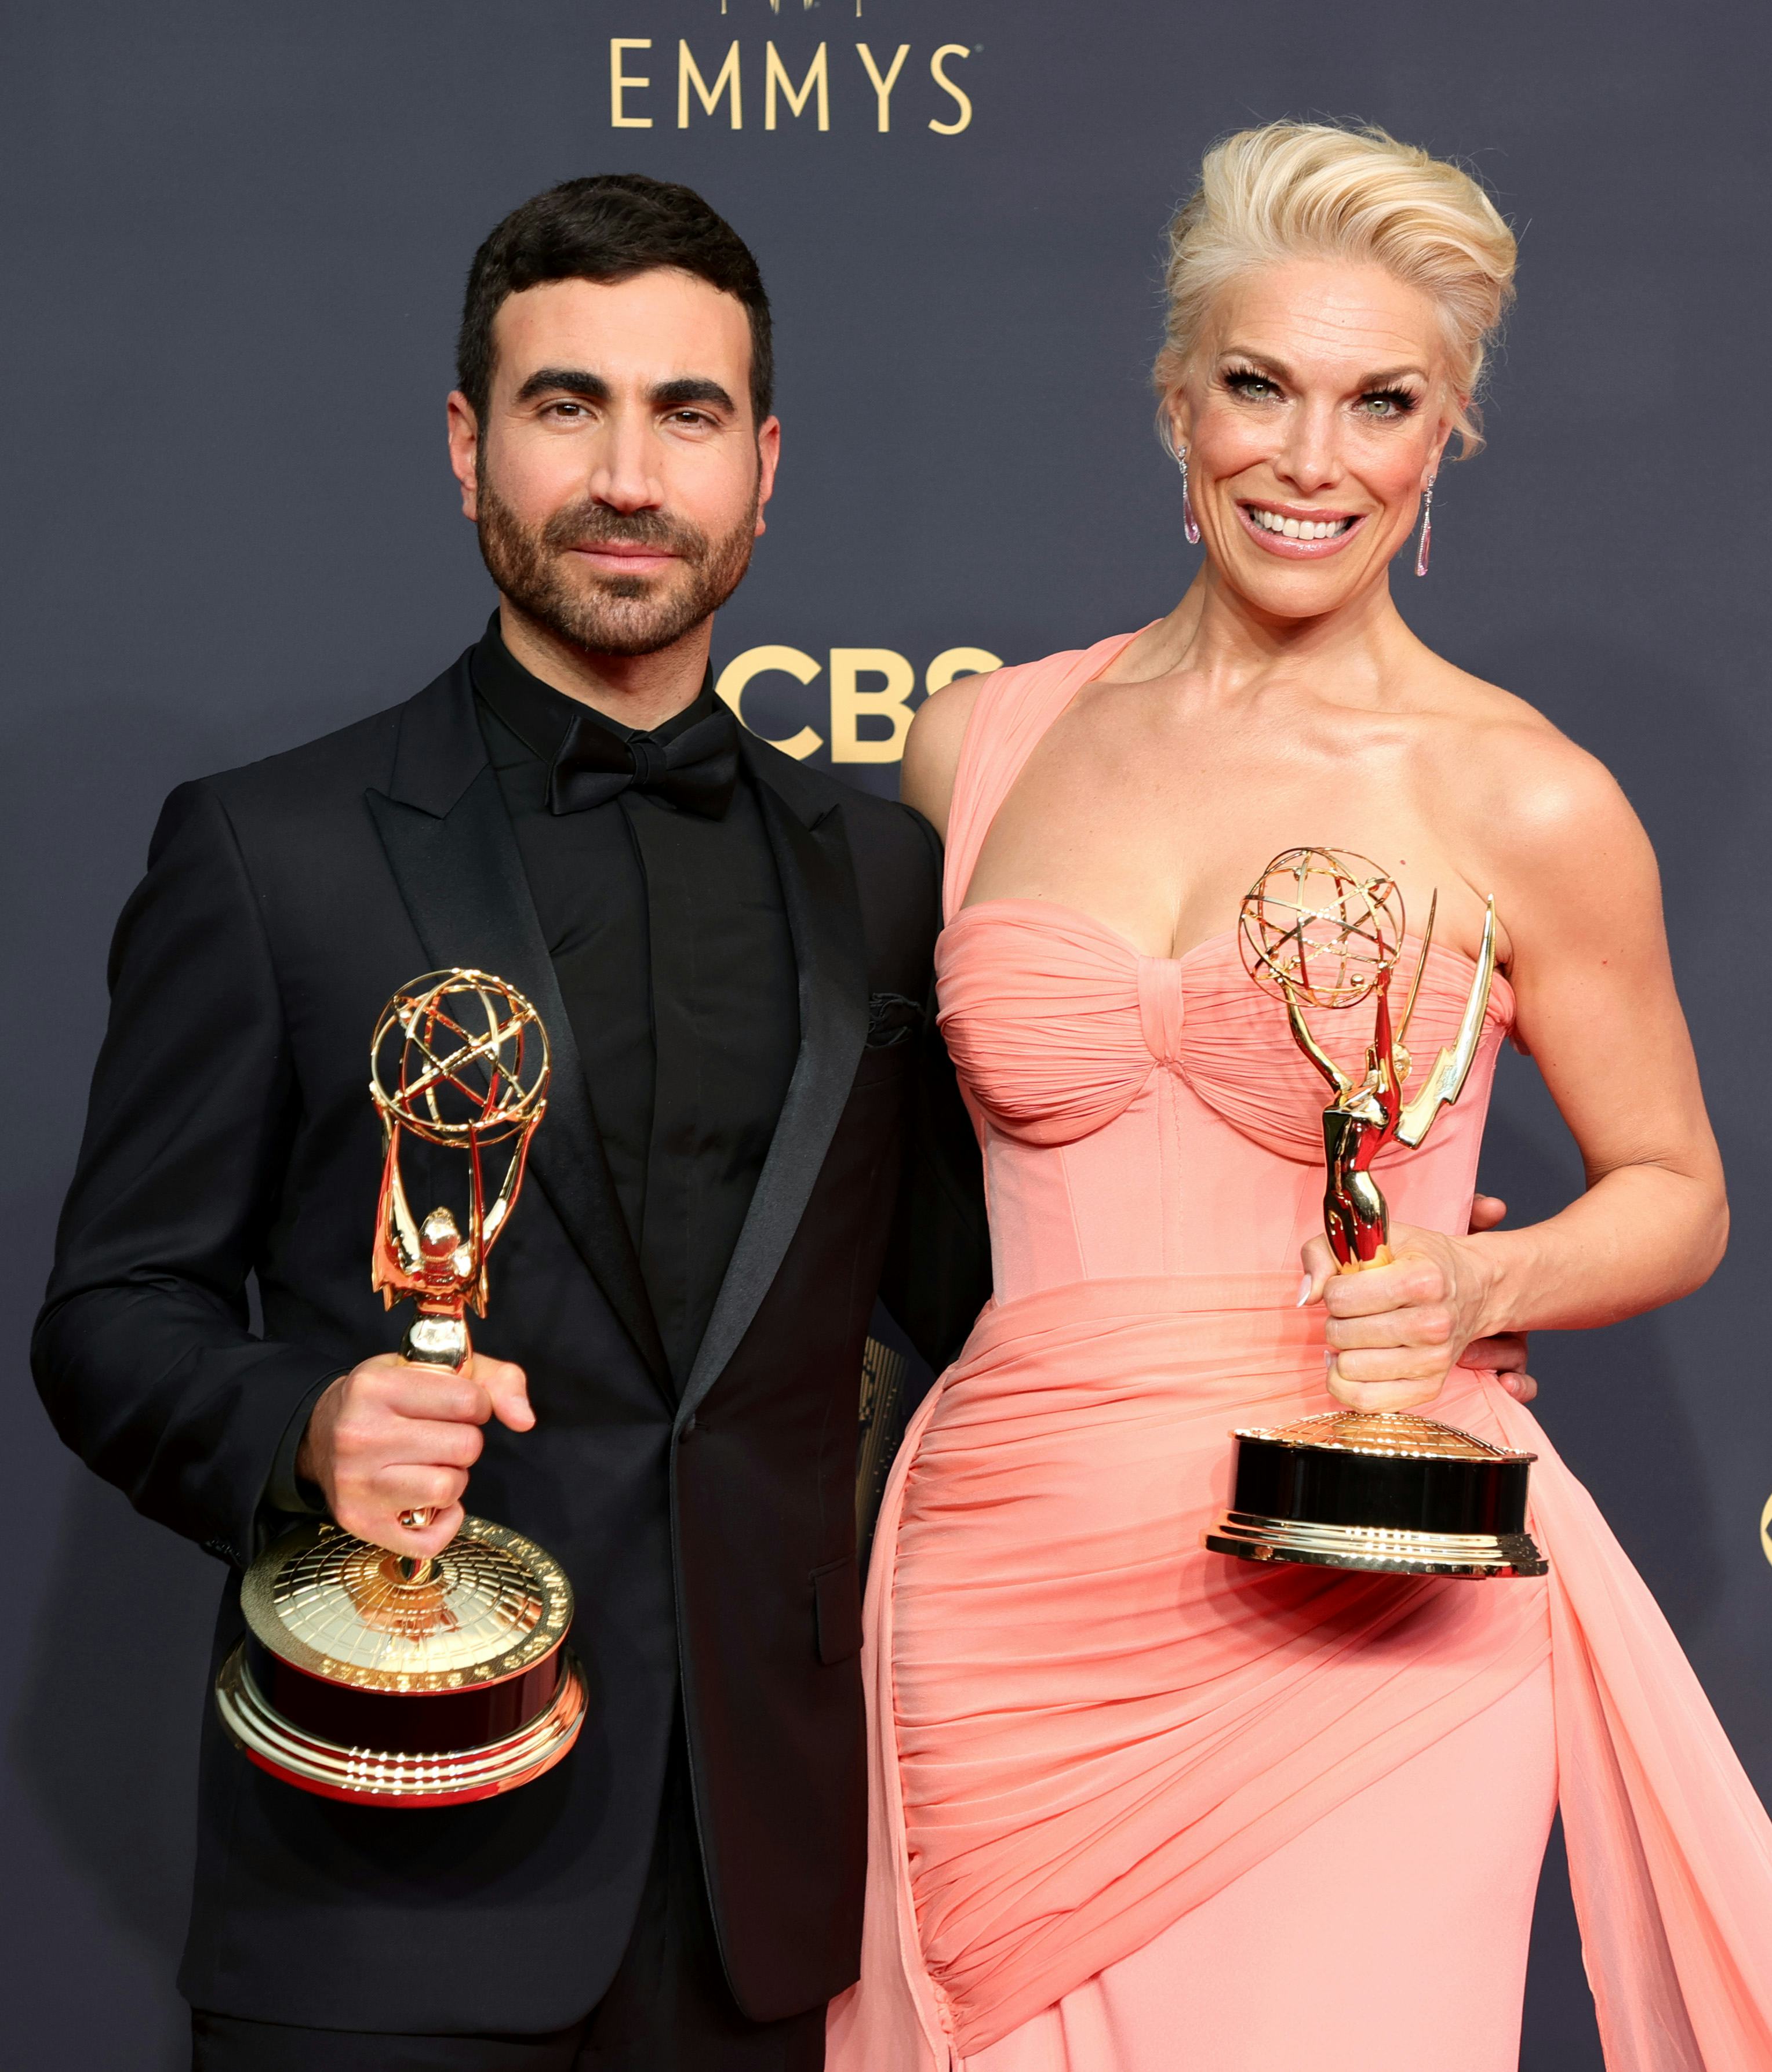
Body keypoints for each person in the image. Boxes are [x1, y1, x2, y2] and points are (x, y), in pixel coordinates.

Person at [827, 122, 1772, 2071]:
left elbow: (1674, 1188)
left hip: (1368, 1591)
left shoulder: (1520, 793)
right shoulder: (976, 748)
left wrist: (1475, 1294)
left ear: (1445, 449)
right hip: (1007, 1577)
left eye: (1381, 403)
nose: (1308, 457)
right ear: (1173, 403)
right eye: (1257, 386)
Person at [34, 174, 987, 2072]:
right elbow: (110, 1314)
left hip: (762, 1900)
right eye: (568, 405)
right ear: (469, 444)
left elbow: (988, 1304)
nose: (628, 474)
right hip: (384, 1870)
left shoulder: (882, 877)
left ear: (766, 464)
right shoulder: (269, 850)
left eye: (686, 413)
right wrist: (301, 1420)